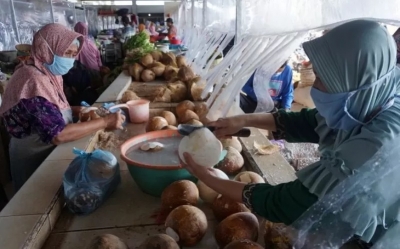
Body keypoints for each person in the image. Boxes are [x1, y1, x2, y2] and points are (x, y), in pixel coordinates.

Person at [181, 20, 400, 247]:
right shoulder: (373, 95)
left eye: (322, 79)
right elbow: (308, 122)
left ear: (355, 83)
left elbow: (286, 203)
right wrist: (242, 120)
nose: (315, 87)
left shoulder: (375, 147)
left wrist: (209, 179)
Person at [0, 24, 125, 192]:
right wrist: (106, 121)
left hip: (46, 151)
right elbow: (58, 134)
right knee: (37, 201)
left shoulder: (47, 72)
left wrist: (73, 110)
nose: (70, 60)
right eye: (66, 53)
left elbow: (47, 109)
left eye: (73, 55)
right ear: (47, 48)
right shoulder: (32, 79)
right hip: (33, 156)